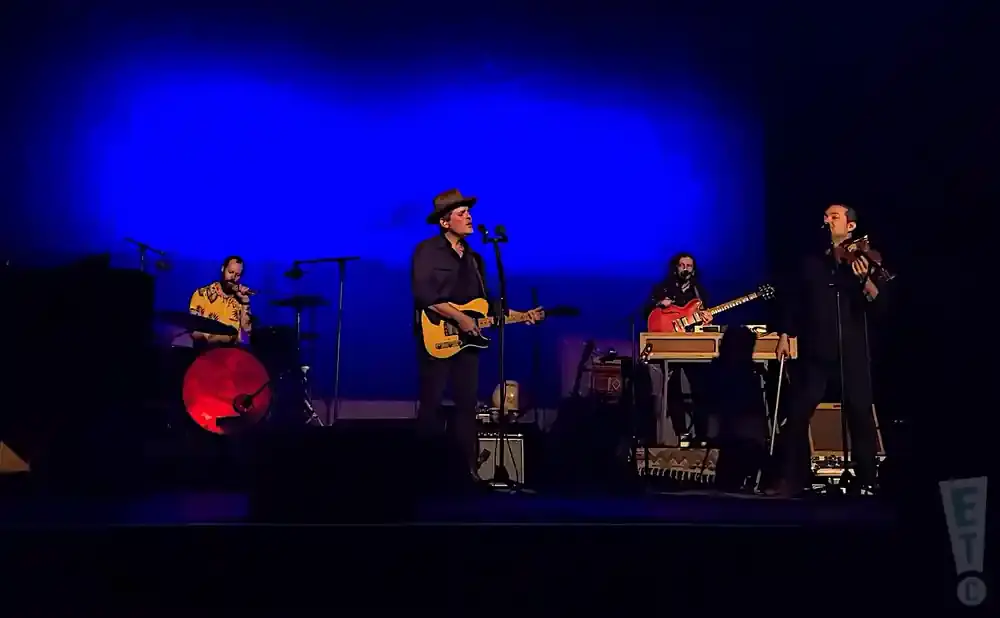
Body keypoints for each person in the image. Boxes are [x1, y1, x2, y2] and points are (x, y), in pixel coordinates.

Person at [411, 189, 542, 483]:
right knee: (431, 403)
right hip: (435, 336)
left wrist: (522, 315)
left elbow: (485, 305)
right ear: (445, 222)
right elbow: (425, 295)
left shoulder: (475, 259)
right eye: (461, 213)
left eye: (468, 212)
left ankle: (467, 472)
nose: (469, 216)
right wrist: (459, 318)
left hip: (467, 342)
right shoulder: (427, 251)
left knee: (466, 405)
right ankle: (423, 472)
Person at [767, 204, 889, 497]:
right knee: (797, 413)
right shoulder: (811, 261)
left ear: (850, 226)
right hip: (816, 347)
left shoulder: (864, 258)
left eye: (835, 216)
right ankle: (797, 477)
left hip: (852, 347)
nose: (827, 220)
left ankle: (867, 479)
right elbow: (796, 301)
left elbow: (882, 304)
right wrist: (786, 333)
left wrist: (864, 280)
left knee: (860, 413)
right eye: (825, 216)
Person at [643, 252, 713, 443]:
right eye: (682, 265)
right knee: (673, 390)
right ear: (676, 267)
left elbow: (705, 321)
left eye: (689, 266)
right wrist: (659, 303)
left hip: (692, 345)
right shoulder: (661, 288)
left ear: (694, 269)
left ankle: (702, 435)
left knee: (700, 389)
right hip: (670, 344)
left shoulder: (700, 292)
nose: (685, 268)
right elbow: (645, 312)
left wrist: (707, 319)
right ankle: (682, 432)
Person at [189, 255, 254, 346]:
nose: (233, 277)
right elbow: (194, 330)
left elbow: (245, 339)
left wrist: (245, 302)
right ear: (223, 269)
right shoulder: (202, 294)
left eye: (237, 275)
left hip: (232, 354)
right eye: (230, 272)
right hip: (206, 351)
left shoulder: (240, 301)